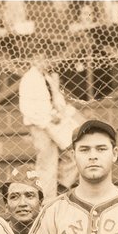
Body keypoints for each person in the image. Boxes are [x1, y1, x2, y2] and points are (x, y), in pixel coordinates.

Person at [18, 52, 79, 199]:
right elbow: (27, 109)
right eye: (39, 58)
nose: (44, 61)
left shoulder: (47, 77)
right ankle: (47, 200)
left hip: (55, 123)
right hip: (40, 125)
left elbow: (57, 101)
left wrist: (59, 114)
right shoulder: (29, 79)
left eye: (46, 58)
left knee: (75, 155)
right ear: (33, 59)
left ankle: (61, 187)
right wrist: (46, 122)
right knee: (47, 163)